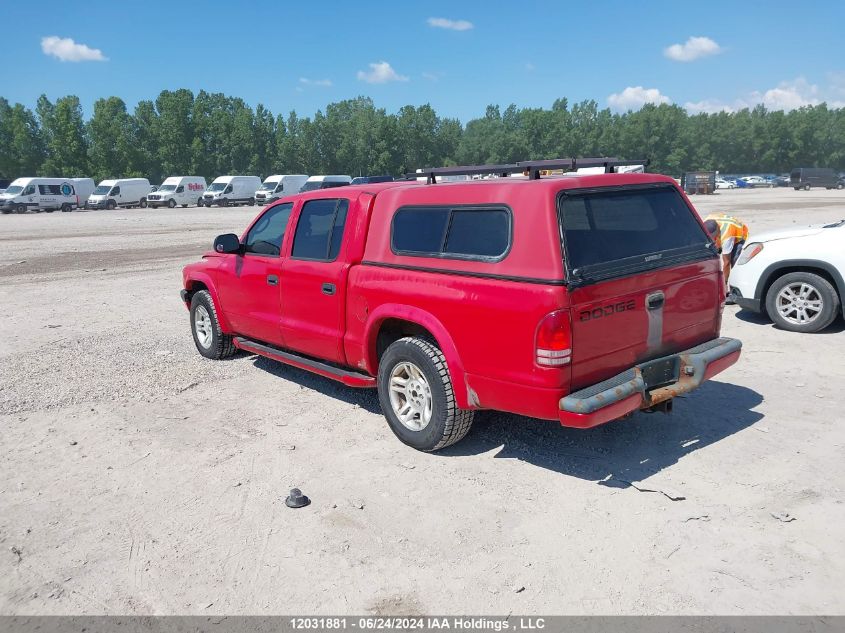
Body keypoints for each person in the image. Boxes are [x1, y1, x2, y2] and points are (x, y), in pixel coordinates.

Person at [705, 213, 749, 301]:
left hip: (739, 234)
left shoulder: (727, 235)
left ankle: (737, 292)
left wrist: (724, 284)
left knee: (735, 262)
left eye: (714, 236)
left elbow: (726, 262)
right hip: (724, 231)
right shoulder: (707, 221)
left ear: (717, 231)